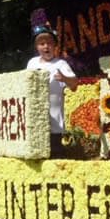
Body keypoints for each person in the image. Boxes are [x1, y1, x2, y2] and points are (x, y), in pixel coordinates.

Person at [26, 21, 78, 152]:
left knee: (54, 154)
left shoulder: (61, 64)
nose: (46, 46)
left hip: (54, 124)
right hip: (35, 121)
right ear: (37, 47)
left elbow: (74, 85)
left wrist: (64, 78)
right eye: (42, 44)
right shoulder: (31, 63)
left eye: (49, 43)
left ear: (54, 45)